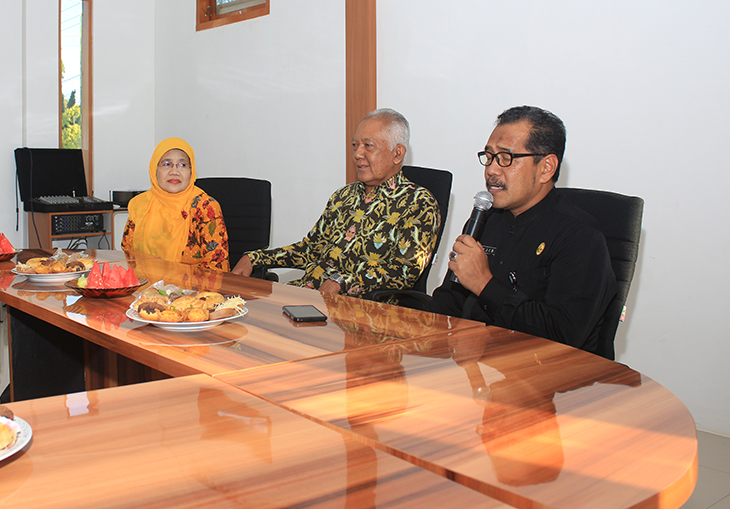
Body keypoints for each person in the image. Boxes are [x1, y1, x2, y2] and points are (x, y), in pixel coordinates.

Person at [427, 106, 616, 353]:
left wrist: (485, 283)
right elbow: (449, 302)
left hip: (550, 379)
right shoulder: (486, 218)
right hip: (479, 368)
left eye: (506, 158)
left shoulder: (580, 236)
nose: (492, 170)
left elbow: (563, 335)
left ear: (546, 167)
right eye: (489, 156)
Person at [231, 108, 439, 297]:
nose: (358, 154)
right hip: (308, 296)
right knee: (241, 312)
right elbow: (310, 249)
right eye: (355, 145)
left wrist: (342, 282)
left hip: (362, 315)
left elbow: (403, 273)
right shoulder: (343, 196)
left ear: (397, 153)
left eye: (368, 146)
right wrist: (255, 258)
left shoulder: (419, 203)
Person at [121, 137, 230, 271]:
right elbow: (129, 255)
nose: (174, 171)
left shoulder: (205, 207)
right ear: (155, 169)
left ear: (191, 171)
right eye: (167, 164)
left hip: (193, 289)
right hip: (145, 287)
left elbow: (217, 267)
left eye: (182, 165)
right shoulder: (140, 204)